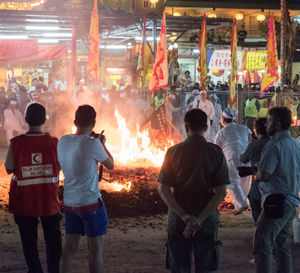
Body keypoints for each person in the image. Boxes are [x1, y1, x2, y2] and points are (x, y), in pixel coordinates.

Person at [158, 108, 229, 273]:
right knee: (205, 265)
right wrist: (199, 219)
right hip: (207, 216)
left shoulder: (173, 152)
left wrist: (184, 216)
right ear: (206, 127)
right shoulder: (216, 153)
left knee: (180, 265)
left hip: (178, 217)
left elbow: (163, 189)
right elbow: (221, 192)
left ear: (186, 126)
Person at [5, 103, 62, 273]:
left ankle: (35, 270)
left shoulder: (16, 143)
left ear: (26, 119)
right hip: (49, 200)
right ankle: (54, 270)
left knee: (29, 242)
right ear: (45, 120)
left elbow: (9, 167)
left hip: (24, 201)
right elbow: (59, 167)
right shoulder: (54, 142)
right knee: (53, 241)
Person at [58, 105, 114, 273]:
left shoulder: (62, 140)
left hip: (70, 203)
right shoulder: (93, 144)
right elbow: (110, 164)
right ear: (94, 123)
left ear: (75, 122)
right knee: (95, 251)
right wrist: (101, 144)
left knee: (69, 249)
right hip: (91, 204)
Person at [253, 106, 300, 273]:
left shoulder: (274, 146)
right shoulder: (295, 144)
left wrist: (256, 172)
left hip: (277, 202)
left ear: (278, 125)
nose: (266, 124)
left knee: (262, 243)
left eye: (270, 120)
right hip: (292, 200)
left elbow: (264, 175)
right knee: (282, 244)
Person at [215, 108, 252, 214]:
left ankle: (242, 204)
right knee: (244, 182)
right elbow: (250, 142)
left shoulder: (221, 132)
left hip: (232, 158)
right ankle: (239, 206)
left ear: (223, 119)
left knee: (232, 183)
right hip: (246, 157)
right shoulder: (244, 128)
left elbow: (217, 149)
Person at [240, 118, 270, 224]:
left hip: (257, 190)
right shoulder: (275, 144)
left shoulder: (253, 146)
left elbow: (243, 159)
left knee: (259, 222)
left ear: (255, 130)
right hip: (274, 191)